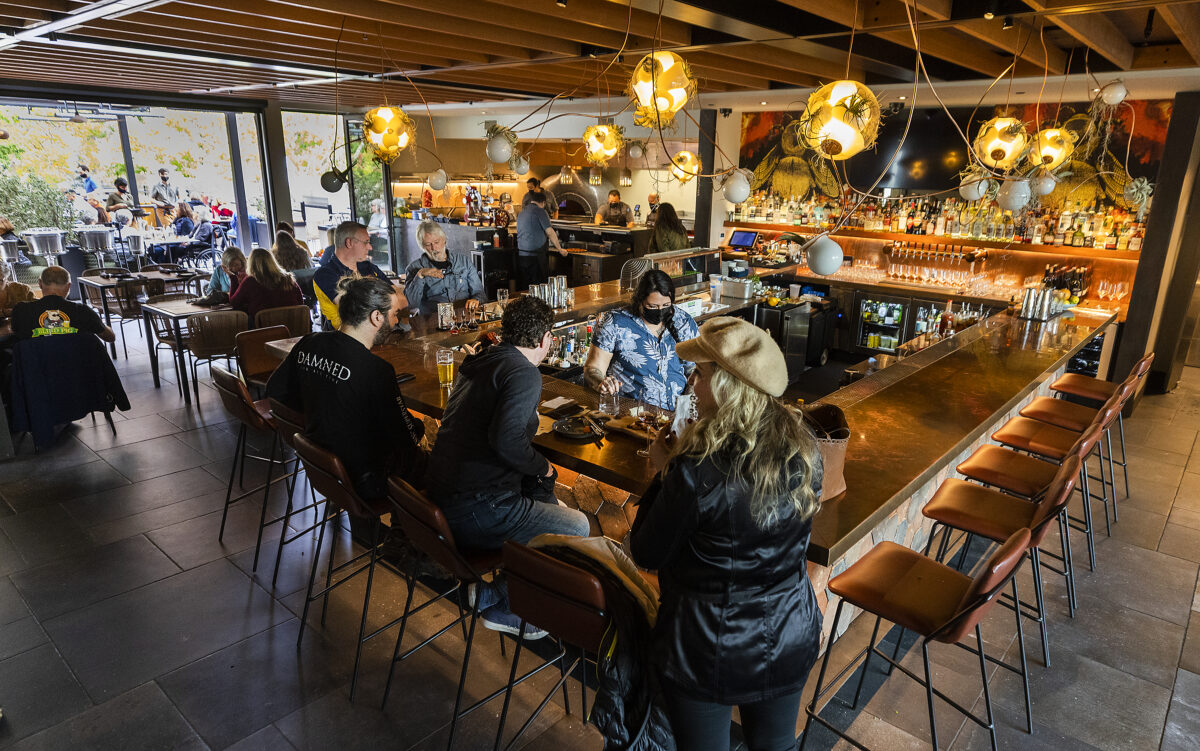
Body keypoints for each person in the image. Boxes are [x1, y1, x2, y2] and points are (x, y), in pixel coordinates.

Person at [629, 317, 823, 751]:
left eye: (700, 373)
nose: (691, 383)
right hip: (788, 631)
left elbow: (646, 551)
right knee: (776, 746)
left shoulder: (695, 469)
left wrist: (663, 471)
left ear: (727, 387)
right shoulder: (804, 447)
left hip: (706, 648)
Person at [425, 295, 591, 638]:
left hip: (441, 500)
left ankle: (493, 590)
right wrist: (544, 468)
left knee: (552, 509)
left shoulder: (487, 360)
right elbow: (506, 441)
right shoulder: (524, 373)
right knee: (577, 527)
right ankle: (508, 605)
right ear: (546, 339)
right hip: (477, 509)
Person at [266, 275, 426, 503]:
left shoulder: (309, 343)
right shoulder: (376, 370)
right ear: (376, 317)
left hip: (322, 467)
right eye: (393, 315)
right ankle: (409, 534)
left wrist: (321, 413)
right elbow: (406, 437)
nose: (395, 323)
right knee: (443, 466)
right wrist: (423, 428)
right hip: (364, 482)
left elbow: (276, 391)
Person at [584, 269, 699, 411]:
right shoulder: (615, 323)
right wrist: (601, 382)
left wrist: (686, 409)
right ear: (640, 301)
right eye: (652, 306)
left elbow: (696, 370)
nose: (659, 311)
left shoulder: (683, 322)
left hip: (677, 416)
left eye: (665, 306)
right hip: (630, 415)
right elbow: (592, 368)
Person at [313, 220, 392, 329]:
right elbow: (355, 310)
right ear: (349, 243)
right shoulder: (324, 275)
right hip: (343, 341)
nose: (370, 247)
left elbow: (397, 297)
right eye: (366, 242)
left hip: (380, 333)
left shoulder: (368, 267)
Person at [12, 266, 115, 343]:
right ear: (68, 286)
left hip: (36, 369)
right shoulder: (82, 311)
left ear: (39, 283)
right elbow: (110, 337)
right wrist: (100, 323)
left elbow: (17, 339)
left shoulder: (21, 310)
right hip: (77, 368)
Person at [403, 221, 485, 316]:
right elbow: (410, 305)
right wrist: (420, 274)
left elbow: (480, 294)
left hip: (464, 319)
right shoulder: (414, 267)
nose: (434, 248)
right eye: (428, 244)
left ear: (444, 239)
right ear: (422, 246)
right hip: (433, 323)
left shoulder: (463, 262)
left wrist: (476, 300)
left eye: (436, 242)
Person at [229, 248, 304, 323]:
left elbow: (234, 303)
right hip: (294, 326)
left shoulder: (250, 281)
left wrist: (233, 278)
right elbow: (301, 303)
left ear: (251, 264)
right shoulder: (288, 278)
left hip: (265, 330)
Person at [515, 191, 566, 289]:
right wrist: (560, 249)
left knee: (526, 288)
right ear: (543, 202)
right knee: (539, 288)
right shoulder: (540, 211)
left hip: (522, 256)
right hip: (536, 257)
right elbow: (550, 231)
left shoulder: (522, 212)